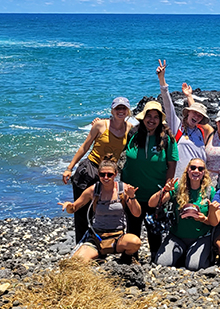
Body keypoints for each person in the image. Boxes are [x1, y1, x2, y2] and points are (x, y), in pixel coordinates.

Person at [62, 97, 134, 243]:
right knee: (82, 212)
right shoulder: (101, 125)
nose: (121, 111)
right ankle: (81, 246)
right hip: (89, 170)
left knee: (101, 211)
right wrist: (69, 168)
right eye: (117, 108)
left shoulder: (130, 129)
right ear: (112, 110)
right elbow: (84, 147)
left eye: (124, 108)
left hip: (108, 175)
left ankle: (100, 244)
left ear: (128, 111)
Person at [121, 100, 178, 259]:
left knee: (154, 229)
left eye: (156, 117)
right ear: (142, 117)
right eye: (149, 116)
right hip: (133, 192)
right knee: (133, 226)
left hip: (155, 192)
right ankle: (132, 256)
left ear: (160, 120)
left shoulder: (167, 139)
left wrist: (166, 188)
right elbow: (115, 134)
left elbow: (172, 164)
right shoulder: (132, 134)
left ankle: (155, 256)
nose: (151, 120)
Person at [60, 154, 141, 262]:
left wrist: (132, 197)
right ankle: (99, 255)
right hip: (97, 238)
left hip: (117, 238)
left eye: (109, 174)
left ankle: (125, 260)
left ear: (115, 174)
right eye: (102, 174)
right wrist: (69, 206)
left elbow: (137, 213)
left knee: (135, 242)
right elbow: (74, 208)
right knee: (77, 261)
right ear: (98, 175)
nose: (106, 177)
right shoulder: (93, 190)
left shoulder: (123, 189)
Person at [149, 158, 218, 270]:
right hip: (177, 236)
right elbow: (152, 203)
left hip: (200, 237)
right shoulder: (178, 188)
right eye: (193, 168)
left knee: (194, 266)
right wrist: (165, 191)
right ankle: (184, 254)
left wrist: (203, 219)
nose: (196, 171)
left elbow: (214, 222)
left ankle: (201, 254)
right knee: (161, 263)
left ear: (204, 173)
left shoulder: (210, 191)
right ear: (188, 170)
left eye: (200, 169)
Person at [156, 59, 214, 179]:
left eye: (200, 116)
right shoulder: (177, 126)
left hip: (199, 179)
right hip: (179, 179)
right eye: (194, 113)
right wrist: (162, 79)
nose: (196, 117)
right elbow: (168, 104)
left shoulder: (201, 131)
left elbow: (196, 111)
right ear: (188, 113)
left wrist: (189, 96)